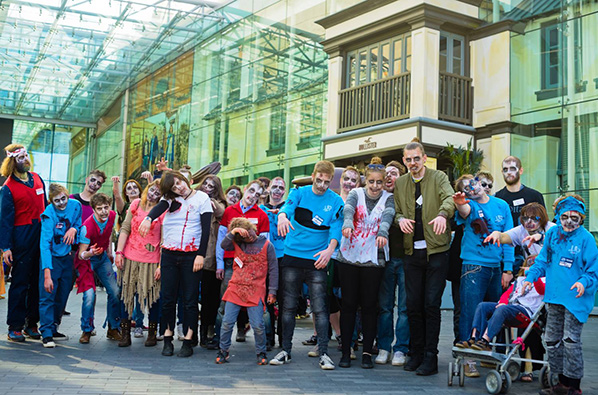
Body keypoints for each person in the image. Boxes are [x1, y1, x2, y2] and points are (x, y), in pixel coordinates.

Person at [270, 160, 343, 370]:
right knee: (288, 306)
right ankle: (285, 350)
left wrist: (330, 250)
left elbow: (336, 228)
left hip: (317, 259)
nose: (321, 185)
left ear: (331, 182)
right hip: (292, 256)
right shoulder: (299, 193)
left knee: (320, 308)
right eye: (318, 180)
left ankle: (324, 352)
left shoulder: (336, 201)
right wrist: (283, 217)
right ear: (313, 176)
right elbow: (287, 208)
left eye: (326, 182)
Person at [523, 195, 598, 395]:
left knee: (571, 341)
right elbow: (542, 261)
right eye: (565, 217)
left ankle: (573, 385)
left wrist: (583, 282)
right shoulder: (553, 234)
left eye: (575, 217)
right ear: (558, 217)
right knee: (552, 340)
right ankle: (559, 382)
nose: (569, 222)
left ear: (582, 218)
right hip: (554, 297)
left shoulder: (586, 239)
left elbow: (593, 271)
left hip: (574, 299)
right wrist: (530, 278)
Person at [393, 138, 455, 376]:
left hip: (436, 251)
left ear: (424, 158)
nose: (413, 163)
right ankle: (415, 352)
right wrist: (400, 220)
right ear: (404, 161)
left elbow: (449, 199)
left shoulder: (438, 177)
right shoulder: (400, 183)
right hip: (411, 253)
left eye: (416, 158)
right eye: (408, 160)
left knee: (431, 304)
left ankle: (431, 356)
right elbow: (398, 211)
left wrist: (442, 214)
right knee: (412, 305)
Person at [139, 170, 212, 358]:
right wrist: (148, 218)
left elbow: (206, 230)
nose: (179, 187)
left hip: (191, 255)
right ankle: (168, 338)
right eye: (174, 186)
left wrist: (200, 255)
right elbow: (158, 208)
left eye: (179, 182)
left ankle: (188, 340)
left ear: (185, 179)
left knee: (189, 300)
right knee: (167, 298)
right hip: (169, 254)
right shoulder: (170, 199)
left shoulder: (202, 198)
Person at [452, 174, 514, 376]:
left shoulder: (502, 205)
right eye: (467, 188)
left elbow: (509, 237)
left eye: (474, 183)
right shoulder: (468, 204)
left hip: (496, 268)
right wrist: (461, 203)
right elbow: (464, 211)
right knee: (469, 312)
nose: (473, 188)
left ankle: (487, 354)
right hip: (473, 266)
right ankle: (468, 359)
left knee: (494, 311)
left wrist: (508, 269)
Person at [337, 157, 395, 369]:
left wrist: (382, 232)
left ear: (384, 182)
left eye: (379, 182)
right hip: (349, 257)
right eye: (371, 182)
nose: (375, 186)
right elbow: (349, 210)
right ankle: (346, 351)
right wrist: (347, 223)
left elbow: (388, 216)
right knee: (349, 305)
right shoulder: (356, 194)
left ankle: (368, 353)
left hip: (373, 259)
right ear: (365, 181)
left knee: (370, 307)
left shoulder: (388, 198)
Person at [214, 180, 270, 346]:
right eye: (251, 191)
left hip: (253, 267)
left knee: (258, 303)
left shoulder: (262, 215)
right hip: (231, 263)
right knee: (224, 303)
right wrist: (220, 264)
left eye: (257, 195)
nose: (253, 196)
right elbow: (221, 240)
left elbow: (266, 245)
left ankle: (266, 341)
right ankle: (218, 339)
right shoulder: (229, 211)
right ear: (245, 189)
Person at [216, 217, 278, 365]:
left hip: (256, 289)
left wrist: (272, 291)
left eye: (249, 232)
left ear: (253, 228)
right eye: (244, 236)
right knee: (227, 322)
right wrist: (233, 232)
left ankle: (261, 352)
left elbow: (274, 270)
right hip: (235, 288)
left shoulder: (267, 245)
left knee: (257, 324)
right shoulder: (237, 242)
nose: (249, 237)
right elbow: (224, 245)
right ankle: (223, 351)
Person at [1, 144, 47, 342]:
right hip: (21, 236)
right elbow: (4, 220)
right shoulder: (8, 188)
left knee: (37, 282)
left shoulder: (37, 178)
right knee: (20, 282)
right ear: (12, 162)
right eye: (20, 158)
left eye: (26, 156)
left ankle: (32, 324)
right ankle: (15, 326)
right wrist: (6, 248)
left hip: (41, 234)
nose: (25, 160)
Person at [114, 180, 165, 347]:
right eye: (152, 189)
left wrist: (160, 265)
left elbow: (164, 239)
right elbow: (125, 228)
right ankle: (125, 334)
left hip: (151, 260)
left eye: (158, 192)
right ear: (147, 189)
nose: (153, 194)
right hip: (130, 257)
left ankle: (152, 333)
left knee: (153, 297)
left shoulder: (162, 211)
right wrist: (119, 252)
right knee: (126, 296)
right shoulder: (135, 204)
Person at [466, 261, 545, 352]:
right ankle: (474, 338)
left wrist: (534, 276)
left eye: (533, 264)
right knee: (483, 306)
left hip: (525, 311)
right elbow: (507, 294)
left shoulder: (545, 280)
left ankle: (485, 340)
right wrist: (503, 302)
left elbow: (541, 290)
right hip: (511, 307)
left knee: (502, 309)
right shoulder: (520, 280)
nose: (530, 266)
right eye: (529, 264)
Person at [38, 184, 82, 347]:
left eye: (63, 198)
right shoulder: (49, 214)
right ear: (51, 202)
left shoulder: (75, 205)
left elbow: (78, 223)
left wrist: (74, 230)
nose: (62, 203)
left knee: (63, 293)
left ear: (67, 195)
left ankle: (54, 326)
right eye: (57, 201)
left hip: (67, 256)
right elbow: (45, 245)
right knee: (48, 293)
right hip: (51, 258)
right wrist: (47, 274)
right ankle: (46, 332)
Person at [76, 193, 122, 344]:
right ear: (93, 210)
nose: (104, 211)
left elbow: (108, 234)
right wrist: (90, 252)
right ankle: (87, 329)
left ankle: (113, 328)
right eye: (99, 208)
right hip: (87, 259)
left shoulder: (112, 216)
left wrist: (109, 251)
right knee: (89, 295)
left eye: (106, 207)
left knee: (115, 292)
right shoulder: (87, 227)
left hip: (102, 258)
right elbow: (81, 254)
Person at [376, 159, 409, 366]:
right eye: (386, 173)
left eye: (394, 173)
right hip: (385, 260)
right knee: (385, 307)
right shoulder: (377, 199)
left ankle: (401, 348)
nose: (389, 176)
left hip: (406, 259)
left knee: (405, 307)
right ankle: (383, 347)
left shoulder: (407, 198)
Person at [495, 156, 545, 274]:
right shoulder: (498, 197)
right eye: (505, 169)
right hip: (504, 256)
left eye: (512, 168)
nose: (509, 172)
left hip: (531, 254)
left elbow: (543, 224)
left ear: (520, 170)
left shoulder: (534, 196)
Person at [198, 175, 227, 348]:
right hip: (193, 255)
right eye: (206, 184)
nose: (208, 187)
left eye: (212, 186)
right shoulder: (194, 200)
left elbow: (220, 211)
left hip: (212, 260)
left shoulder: (219, 204)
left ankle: (207, 333)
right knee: (191, 298)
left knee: (211, 300)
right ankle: (191, 332)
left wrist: (208, 200)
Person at [259, 176, 286, 350]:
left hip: (285, 258)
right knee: (266, 300)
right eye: (274, 187)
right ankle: (268, 338)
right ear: (268, 189)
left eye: (281, 188)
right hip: (265, 259)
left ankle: (284, 338)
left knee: (285, 300)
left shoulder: (290, 208)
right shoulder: (261, 210)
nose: (277, 190)